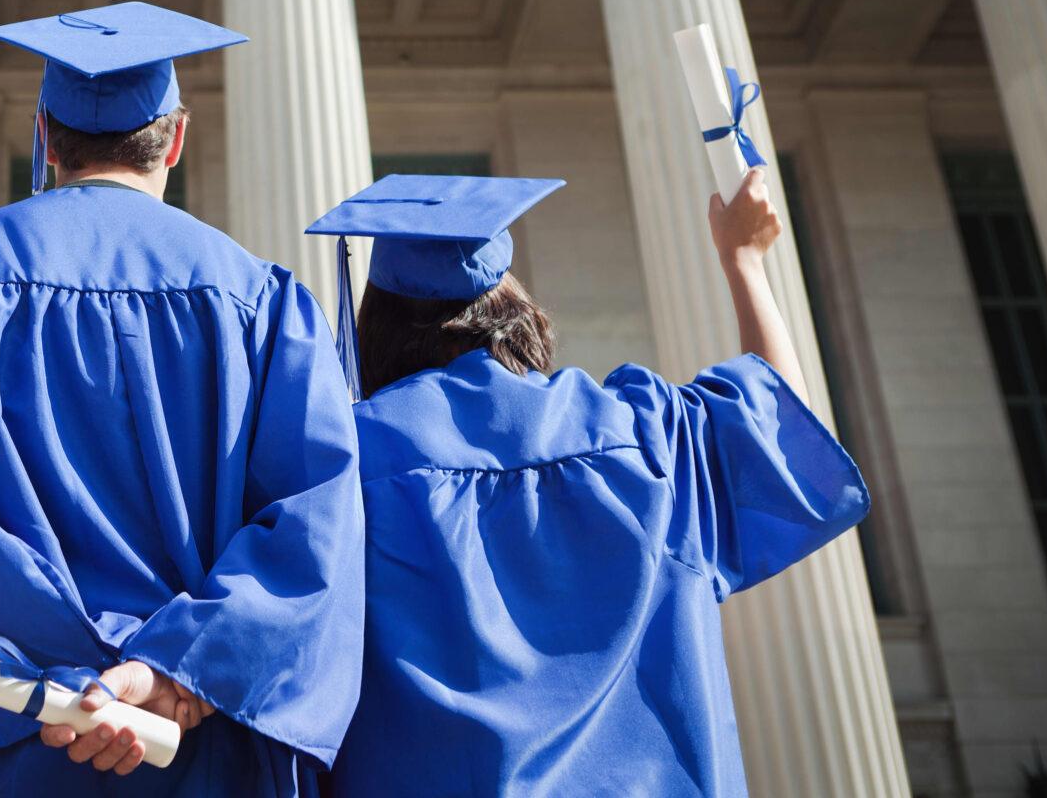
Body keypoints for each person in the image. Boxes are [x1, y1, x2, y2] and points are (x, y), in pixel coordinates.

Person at [0, 1, 365, 796]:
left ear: (46, 135)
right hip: (199, 745)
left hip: (17, 732)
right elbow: (315, 520)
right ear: (177, 140)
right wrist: (171, 672)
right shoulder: (264, 302)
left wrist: (76, 679)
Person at [305, 168, 870, 797]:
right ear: (514, 311)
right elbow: (776, 422)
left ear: (373, 330)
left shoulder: (342, 470)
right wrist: (744, 262)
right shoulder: (644, 436)